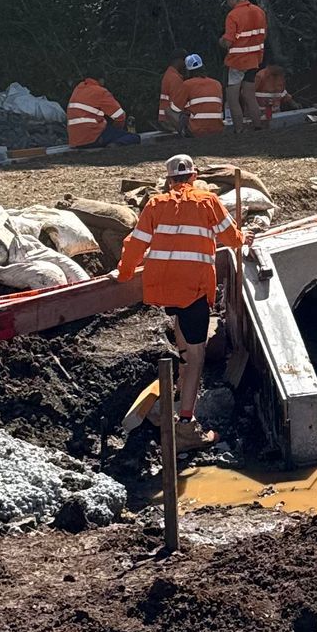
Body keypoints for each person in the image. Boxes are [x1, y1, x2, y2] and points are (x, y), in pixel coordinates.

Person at [116, 153, 242, 430]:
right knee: (197, 354)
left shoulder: (155, 204)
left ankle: (180, 387)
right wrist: (244, 238)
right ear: (194, 177)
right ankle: (186, 419)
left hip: (163, 287)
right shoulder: (208, 201)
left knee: (183, 337)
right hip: (193, 287)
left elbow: (136, 243)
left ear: (169, 180)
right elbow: (231, 238)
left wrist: (124, 273)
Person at [221, 0, 268, 126]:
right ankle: (257, 125)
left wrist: (221, 41)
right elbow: (264, 35)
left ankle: (239, 129)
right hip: (255, 60)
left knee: (232, 98)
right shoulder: (259, 11)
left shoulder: (233, 15)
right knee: (250, 95)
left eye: (226, 1)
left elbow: (228, 42)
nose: (227, 4)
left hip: (237, 61)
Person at [160, 53, 225, 138]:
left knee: (169, 111)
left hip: (197, 130)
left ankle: (184, 134)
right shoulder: (217, 84)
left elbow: (175, 109)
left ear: (188, 70)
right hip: (218, 128)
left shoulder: (187, 85)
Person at [66, 77, 128, 151]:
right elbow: (120, 116)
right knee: (133, 137)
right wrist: (117, 130)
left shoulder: (77, 90)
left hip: (75, 141)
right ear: (101, 79)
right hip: (92, 138)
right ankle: (113, 145)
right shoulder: (100, 91)